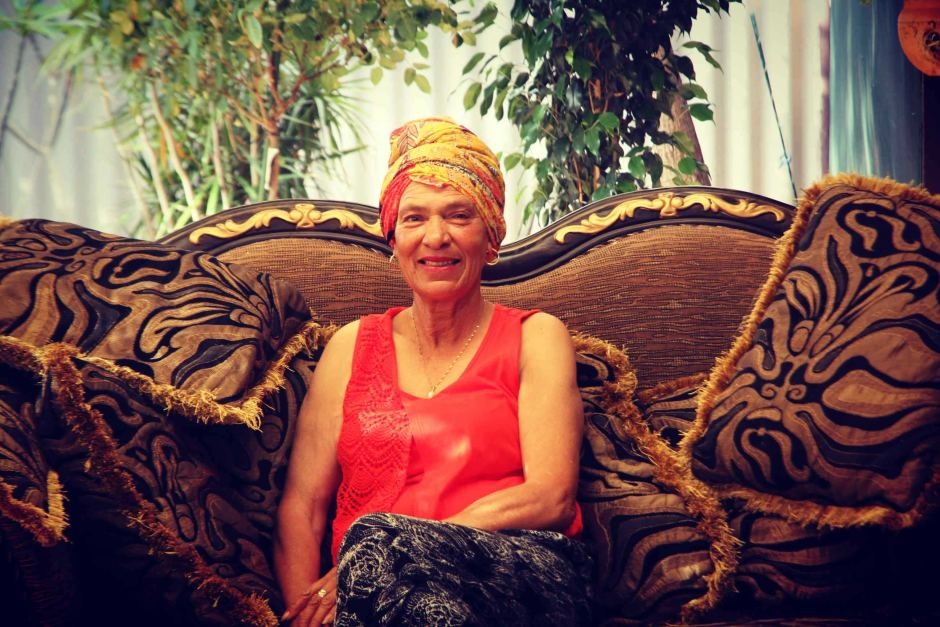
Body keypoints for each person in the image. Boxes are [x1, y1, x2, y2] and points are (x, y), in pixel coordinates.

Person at [274, 116, 592, 626]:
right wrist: (304, 612)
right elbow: (303, 508)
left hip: (523, 570)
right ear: (393, 239)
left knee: (378, 547)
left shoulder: (537, 336)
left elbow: (551, 495)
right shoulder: (350, 347)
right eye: (415, 218)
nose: (436, 237)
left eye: (459, 216)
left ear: (490, 238)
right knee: (426, 610)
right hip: (381, 596)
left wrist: (398, 546)